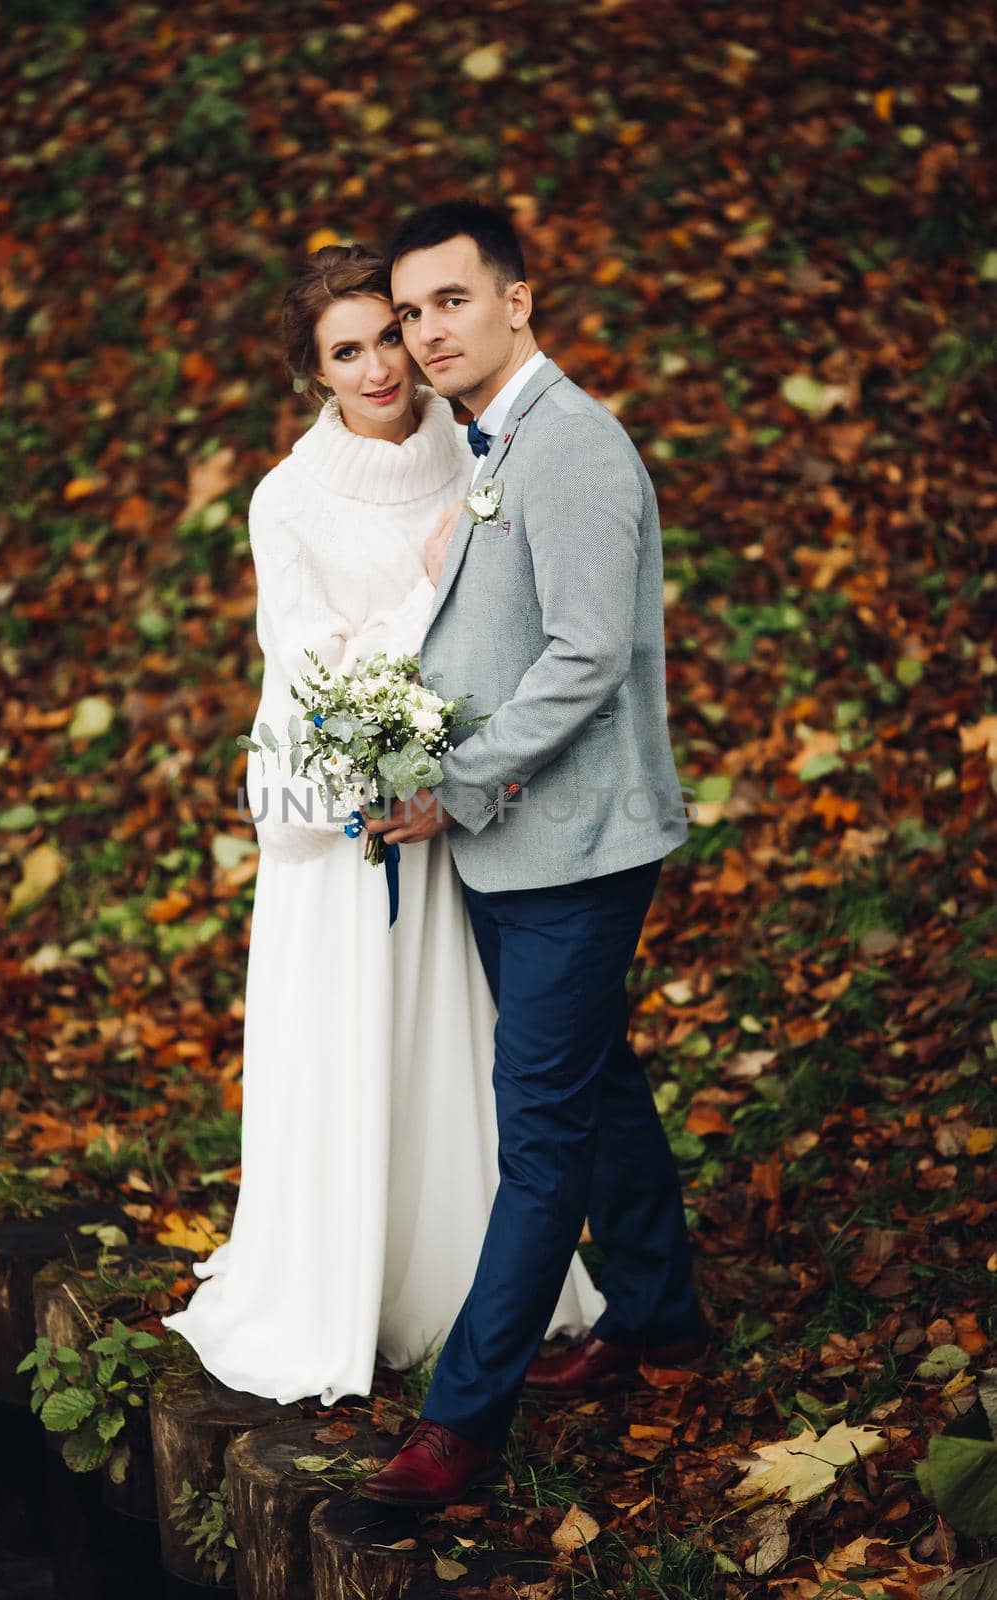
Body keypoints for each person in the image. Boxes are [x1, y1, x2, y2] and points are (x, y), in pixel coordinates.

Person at [160, 243, 604, 1407]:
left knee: (462, 1052)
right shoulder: (286, 500)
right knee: (359, 1043)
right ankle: (343, 1280)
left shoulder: (475, 455)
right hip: (355, 834)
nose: (377, 368)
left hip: (457, 814)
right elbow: (312, 672)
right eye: (343, 351)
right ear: (312, 372)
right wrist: (424, 585)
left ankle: (472, 1285)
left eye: (387, 337)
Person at [360, 202, 708, 1508]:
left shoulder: (569, 446)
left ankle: (461, 1422)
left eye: (450, 300)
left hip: (566, 845)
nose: (424, 331)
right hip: (520, 843)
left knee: (541, 1130)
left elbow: (586, 655)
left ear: (517, 300)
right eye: (408, 311)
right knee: (593, 1078)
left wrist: (450, 780)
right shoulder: (489, 436)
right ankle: (659, 1318)